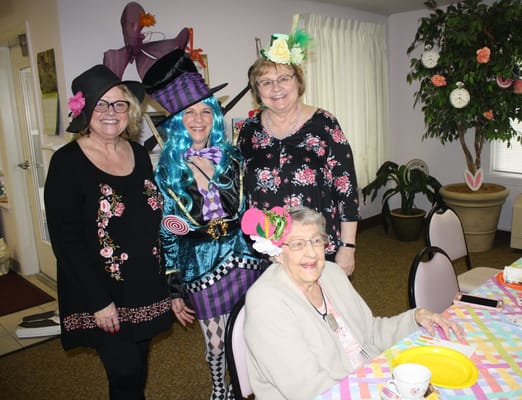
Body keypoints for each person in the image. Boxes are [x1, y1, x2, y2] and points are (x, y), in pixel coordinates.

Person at [44, 65, 172, 399]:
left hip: (144, 287)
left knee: (138, 370)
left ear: (130, 110)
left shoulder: (140, 154)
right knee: (125, 374)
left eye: (119, 104)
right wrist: (99, 302)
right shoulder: (66, 163)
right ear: (83, 110)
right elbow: (65, 240)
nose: (111, 113)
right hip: (100, 294)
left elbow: (148, 216)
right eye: (101, 104)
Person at [241, 206, 463, 400]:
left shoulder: (332, 274)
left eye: (316, 241)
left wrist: (415, 317)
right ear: (278, 253)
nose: (311, 253)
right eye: (298, 244)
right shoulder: (266, 303)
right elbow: (309, 390)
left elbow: (371, 331)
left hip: (369, 378)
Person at [143, 50, 265, 400]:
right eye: (188, 113)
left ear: (214, 115)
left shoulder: (235, 157)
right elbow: (167, 231)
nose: (198, 120)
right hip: (199, 265)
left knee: (250, 330)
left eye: (205, 111)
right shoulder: (167, 170)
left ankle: (249, 384)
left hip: (244, 257)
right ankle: (219, 391)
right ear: (178, 121)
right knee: (215, 342)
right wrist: (173, 284)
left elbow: (250, 210)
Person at [238, 30, 359, 276]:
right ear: (257, 90)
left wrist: (348, 246)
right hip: (268, 250)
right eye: (266, 82)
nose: (276, 88)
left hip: (317, 247)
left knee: (321, 310)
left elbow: (346, 187)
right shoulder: (248, 131)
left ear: (298, 81)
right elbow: (241, 191)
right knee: (277, 311)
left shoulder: (324, 123)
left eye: (284, 78)